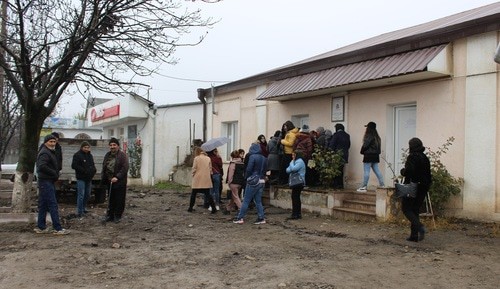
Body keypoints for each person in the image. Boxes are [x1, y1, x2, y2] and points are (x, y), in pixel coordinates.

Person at [34, 134, 69, 235]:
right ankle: (57, 228)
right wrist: (54, 173)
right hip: (46, 181)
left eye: (54, 142)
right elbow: (41, 166)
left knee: (43, 205)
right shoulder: (45, 153)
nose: (53, 143)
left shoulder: (49, 151)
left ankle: (41, 227)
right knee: (52, 204)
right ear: (46, 142)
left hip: (47, 181)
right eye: (51, 142)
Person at [400, 137, 432, 242]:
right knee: (415, 209)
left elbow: (409, 172)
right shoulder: (424, 157)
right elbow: (428, 174)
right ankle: (414, 236)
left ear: (411, 146)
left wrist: (403, 171)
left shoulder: (412, 157)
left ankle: (420, 227)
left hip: (412, 186)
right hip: (424, 186)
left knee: (406, 208)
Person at [233, 142, 267, 225]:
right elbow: (266, 169)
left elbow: (249, 169)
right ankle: (261, 217)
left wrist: (247, 177)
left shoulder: (252, 157)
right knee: (258, 201)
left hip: (253, 180)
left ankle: (240, 217)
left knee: (246, 200)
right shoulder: (264, 158)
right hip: (262, 180)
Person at [101, 137, 129, 223]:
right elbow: (104, 166)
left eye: (114, 145)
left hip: (119, 182)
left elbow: (125, 168)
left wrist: (117, 177)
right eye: (111, 145)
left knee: (119, 199)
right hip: (110, 181)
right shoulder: (107, 155)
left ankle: (117, 216)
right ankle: (110, 215)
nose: (112, 147)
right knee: (111, 199)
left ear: (118, 146)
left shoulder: (122, 155)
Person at [357, 121, 385, 192]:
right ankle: (382, 185)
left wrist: (362, 151)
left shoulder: (369, 136)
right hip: (375, 156)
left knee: (366, 171)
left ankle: (364, 187)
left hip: (368, 156)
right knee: (377, 171)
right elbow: (379, 149)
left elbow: (365, 145)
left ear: (369, 128)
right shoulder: (378, 137)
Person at [71, 141, 97, 218]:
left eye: (88, 147)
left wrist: (93, 171)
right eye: (85, 147)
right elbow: (74, 165)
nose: (86, 149)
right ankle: (79, 211)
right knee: (81, 195)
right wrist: (83, 171)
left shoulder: (90, 156)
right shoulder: (77, 155)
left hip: (89, 178)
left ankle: (84, 207)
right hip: (81, 178)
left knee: (87, 194)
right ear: (81, 147)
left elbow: (92, 165)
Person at [188, 147, 217, 213]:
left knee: (194, 194)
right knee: (208, 194)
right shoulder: (208, 158)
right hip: (206, 178)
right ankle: (213, 208)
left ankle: (190, 207)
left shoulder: (196, 158)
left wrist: (193, 175)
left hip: (198, 178)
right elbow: (210, 169)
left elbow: (194, 168)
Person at [286, 149, 306, 220]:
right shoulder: (296, 162)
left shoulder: (299, 162)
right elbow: (287, 170)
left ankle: (296, 214)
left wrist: (291, 162)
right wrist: (291, 166)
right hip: (295, 181)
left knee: (295, 197)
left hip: (298, 182)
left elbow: (293, 169)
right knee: (295, 197)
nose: (292, 156)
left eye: (293, 155)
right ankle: (296, 213)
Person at [329, 123, 351, 189]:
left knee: (335, 170)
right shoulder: (347, 135)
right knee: (341, 170)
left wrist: (331, 153)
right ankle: (341, 185)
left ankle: (336, 185)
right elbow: (349, 145)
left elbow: (332, 145)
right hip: (344, 155)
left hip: (337, 155)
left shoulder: (336, 135)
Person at [224, 150, 244, 214]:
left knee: (235, 197)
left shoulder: (233, 163)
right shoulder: (242, 163)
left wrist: (229, 182)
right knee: (234, 196)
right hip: (240, 182)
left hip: (233, 182)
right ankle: (228, 208)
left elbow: (231, 174)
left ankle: (241, 209)